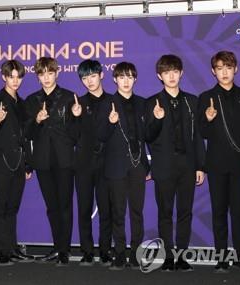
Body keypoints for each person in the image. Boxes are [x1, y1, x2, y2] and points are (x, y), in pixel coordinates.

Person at [146, 54, 205, 272]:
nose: (171, 76)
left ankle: (181, 255)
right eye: (166, 72)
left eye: (174, 71)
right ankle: (168, 256)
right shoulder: (152, 102)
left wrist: (200, 166)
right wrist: (157, 119)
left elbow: (198, 136)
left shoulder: (192, 101)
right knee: (165, 212)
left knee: (185, 212)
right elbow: (148, 136)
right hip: (163, 165)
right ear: (159, 76)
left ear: (181, 73)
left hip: (188, 165)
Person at [197, 51, 240, 273]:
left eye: (228, 67)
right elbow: (202, 133)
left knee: (239, 212)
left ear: (235, 69)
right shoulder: (206, 97)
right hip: (217, 165)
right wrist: (208, 119)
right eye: (220, 68)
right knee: (219, 212)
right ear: (213, 71)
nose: (224, 72)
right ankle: (221, 258)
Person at [24, 57, 81, 266]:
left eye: (50, 73)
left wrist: (76, 117)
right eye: (42, 74)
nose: (46, 78)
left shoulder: (69, 97)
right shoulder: (31, 100)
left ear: (57, 73)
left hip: (65, 160)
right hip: (43, 161)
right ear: (37, 76)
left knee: (65, 205)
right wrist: (36, 120)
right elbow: (26, 133)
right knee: (52, 207)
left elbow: (76, 135)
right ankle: (57, 247)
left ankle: (64, 250)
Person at [97, 61, 150, 270]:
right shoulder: (106, 103)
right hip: (115, 166)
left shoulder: (143, 103)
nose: (126, 81)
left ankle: (136, 254)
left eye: (129, 77)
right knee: (118, 212)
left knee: (137, 211)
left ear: (135, 79)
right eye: (121, 77)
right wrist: (110, 123)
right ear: (115, 79)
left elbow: (148, 137)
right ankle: (119, 254)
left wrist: (147, 166)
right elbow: (100, 137)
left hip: (138, 165)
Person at [0, 60, 35, 265]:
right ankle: (1, 250)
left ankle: (12, 247)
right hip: (1, 161)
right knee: (1, 206)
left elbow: (26, 137)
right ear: (3, 77)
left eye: (19, 76)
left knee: (13, 207)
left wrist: (27, 164)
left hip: (19, 161)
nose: (15, 80)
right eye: (11, 76)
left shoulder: (21, 103)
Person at [74, 59, 113, 266]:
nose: (89, 81)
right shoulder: (78, 104)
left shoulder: (113, 102)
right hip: (83, 165)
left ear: (101, 75)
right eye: (84, 77)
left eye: (92, 76)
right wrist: (76, 117)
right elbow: (72, 136)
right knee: (84, 209)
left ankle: (105, 250)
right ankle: (87, 251)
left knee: (107, 209)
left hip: (107, 164)